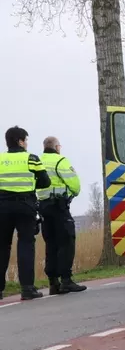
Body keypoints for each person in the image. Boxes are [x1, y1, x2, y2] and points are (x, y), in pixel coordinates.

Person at [0, 127, 50, 300]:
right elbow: (45, 181)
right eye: (26, 140)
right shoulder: (31, 158)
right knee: (25, 245)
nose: (27, 143)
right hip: (25, 206)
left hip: (2, 207)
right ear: (20, 141)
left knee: (2, 246)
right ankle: (27, 288)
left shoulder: (0, 159)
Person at [38, 136, 86, 295]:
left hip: (43, 207)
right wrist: (72, 194)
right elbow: (75, 184)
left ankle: (53, 282)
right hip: (59, 206)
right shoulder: (60, 161)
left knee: (50, 243)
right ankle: (66, 280)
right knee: (66, 241)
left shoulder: (37, 161)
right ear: (57, 147)